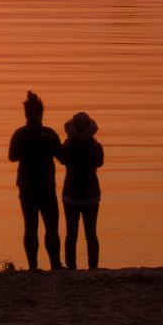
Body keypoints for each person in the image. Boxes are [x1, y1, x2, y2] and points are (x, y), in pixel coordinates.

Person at [8, 91, 63, 270]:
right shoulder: (49, 134)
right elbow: (63, 157)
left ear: (26, 114)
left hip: (27, 186)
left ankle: (33, 266)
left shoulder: (20, 134)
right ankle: (55, 264)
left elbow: (12, 157)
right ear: (41, 113)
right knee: (52, 227)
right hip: (46, 186)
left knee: (30, 227)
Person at [60, 112, 104, 270]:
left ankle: (71, 267)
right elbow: (99, 163)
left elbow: (62, 159)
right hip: (91, 194)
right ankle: (93, 267)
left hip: (71, 193)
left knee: (71, 234)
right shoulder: (95, 148)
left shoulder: (68, 147)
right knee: (91, 234)